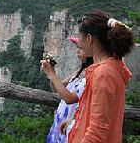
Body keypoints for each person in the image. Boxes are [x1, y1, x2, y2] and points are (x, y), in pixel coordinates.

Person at [65, 11, 135, 143]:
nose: (78, 42)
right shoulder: (113, 66)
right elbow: (101, 115)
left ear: (89, 39)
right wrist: (76, 123)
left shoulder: (103, 74)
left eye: (79, 36)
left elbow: (97, 132)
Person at [42, 36, 93, 143]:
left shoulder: (91, 74)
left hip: (72, 122)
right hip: (62, 120)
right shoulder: (79, 71)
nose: (77, 51)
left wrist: (52, 75)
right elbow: (56, 88)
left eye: (81, 48)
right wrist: (52, 73)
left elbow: (69, 98)